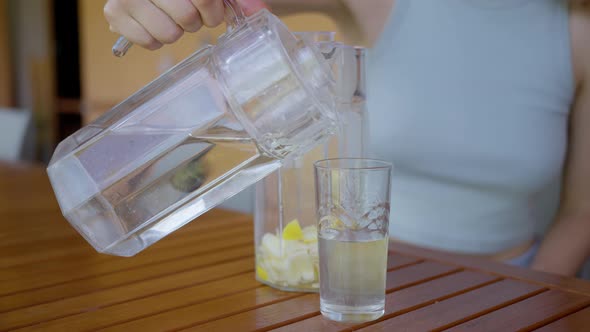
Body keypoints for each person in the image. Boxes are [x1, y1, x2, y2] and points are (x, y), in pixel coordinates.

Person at [104, 0, 590, 277]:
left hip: (516, 278)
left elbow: (581, 215)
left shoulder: (580, 30)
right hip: (360, 279)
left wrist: (533, 298)